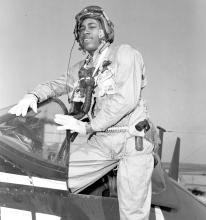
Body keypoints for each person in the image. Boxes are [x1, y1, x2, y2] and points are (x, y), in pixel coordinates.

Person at [9, 6, 154, 220]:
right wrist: (33, 95)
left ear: (104, 31)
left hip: (133, 140)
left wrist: (88, 127)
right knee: (52, 179)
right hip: (102, 141)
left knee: (132, 214)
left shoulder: (125, 54)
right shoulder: (81, 69)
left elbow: (125, 99)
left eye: (92, 26)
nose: (85, 32)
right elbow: (55, 85)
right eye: (81, 29)